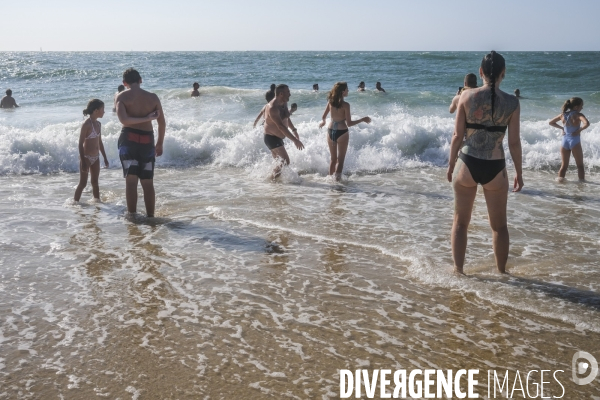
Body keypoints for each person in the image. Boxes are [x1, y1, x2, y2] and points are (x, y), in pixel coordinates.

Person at [446, 51, 523, 275]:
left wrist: (451, 164)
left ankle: (458, 272)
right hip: (496, 168)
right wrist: (519, 172)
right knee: (499, 226)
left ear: (480, 72)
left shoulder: (465, 98)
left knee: (460, 223)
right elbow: (514, 143)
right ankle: (502, 273)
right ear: (503, 73)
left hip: (467, 164)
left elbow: (456, 136)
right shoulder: (512, 103)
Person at [115, 68, 164, 217]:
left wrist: (145, 118)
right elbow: (162, 123)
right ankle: (150, 217)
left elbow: (124, 120)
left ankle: (132, 216)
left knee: (131, 181)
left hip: (128, 140)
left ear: (124, 83)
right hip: (147, 141)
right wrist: (160, 143)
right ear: (140, 80)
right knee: (147, 181)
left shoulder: (121, 97)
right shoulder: (153, 98)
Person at [318, 82, 371, 181]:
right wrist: (362, 119)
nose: (348, 91)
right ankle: (337, 184)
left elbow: (323, 116)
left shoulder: (330, 102)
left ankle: (330, 181)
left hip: (330, 131)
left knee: (333, 160)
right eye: (347, 89)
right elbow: (349, 123)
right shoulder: (346, 105)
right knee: (340, 161)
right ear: (343, 92)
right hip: (342, 133)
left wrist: (323, 122)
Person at [263, 84, 304, 179]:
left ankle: (273, 184)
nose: (290, 94)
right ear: (281, 94)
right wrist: (295, 140)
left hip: (277, 138)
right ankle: (270, 180)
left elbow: (286, 118)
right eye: (288, 92)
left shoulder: (284, 102)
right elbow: (281, 126)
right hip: (271, 137)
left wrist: (294, 130)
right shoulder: (273, 107)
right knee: (285, 161)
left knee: (279, 163)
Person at [74, 99, 109, 202]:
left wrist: (105, 158)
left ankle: (97, 204)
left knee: (95, 182)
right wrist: (83, 161)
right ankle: (75, 203)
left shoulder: (98, 124)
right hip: (86, 157)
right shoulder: (86, 124)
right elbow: (80, 144)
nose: (104, 111)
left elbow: (100, 142)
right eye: (103, 109)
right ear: (96, 110)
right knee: (83, 183)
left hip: (96, 157)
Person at [549, 97, 590, 182]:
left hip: (564, 141)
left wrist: (562, 128)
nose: (582, 108)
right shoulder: (579, 115)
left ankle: (560, 185)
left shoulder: (563, 115)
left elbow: (551, 122)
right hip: (574, 141)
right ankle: (581, 187)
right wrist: (579, 130)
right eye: (581, 106)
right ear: (576, 107)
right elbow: (587, 123)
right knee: (580, 166)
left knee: (563, 166)